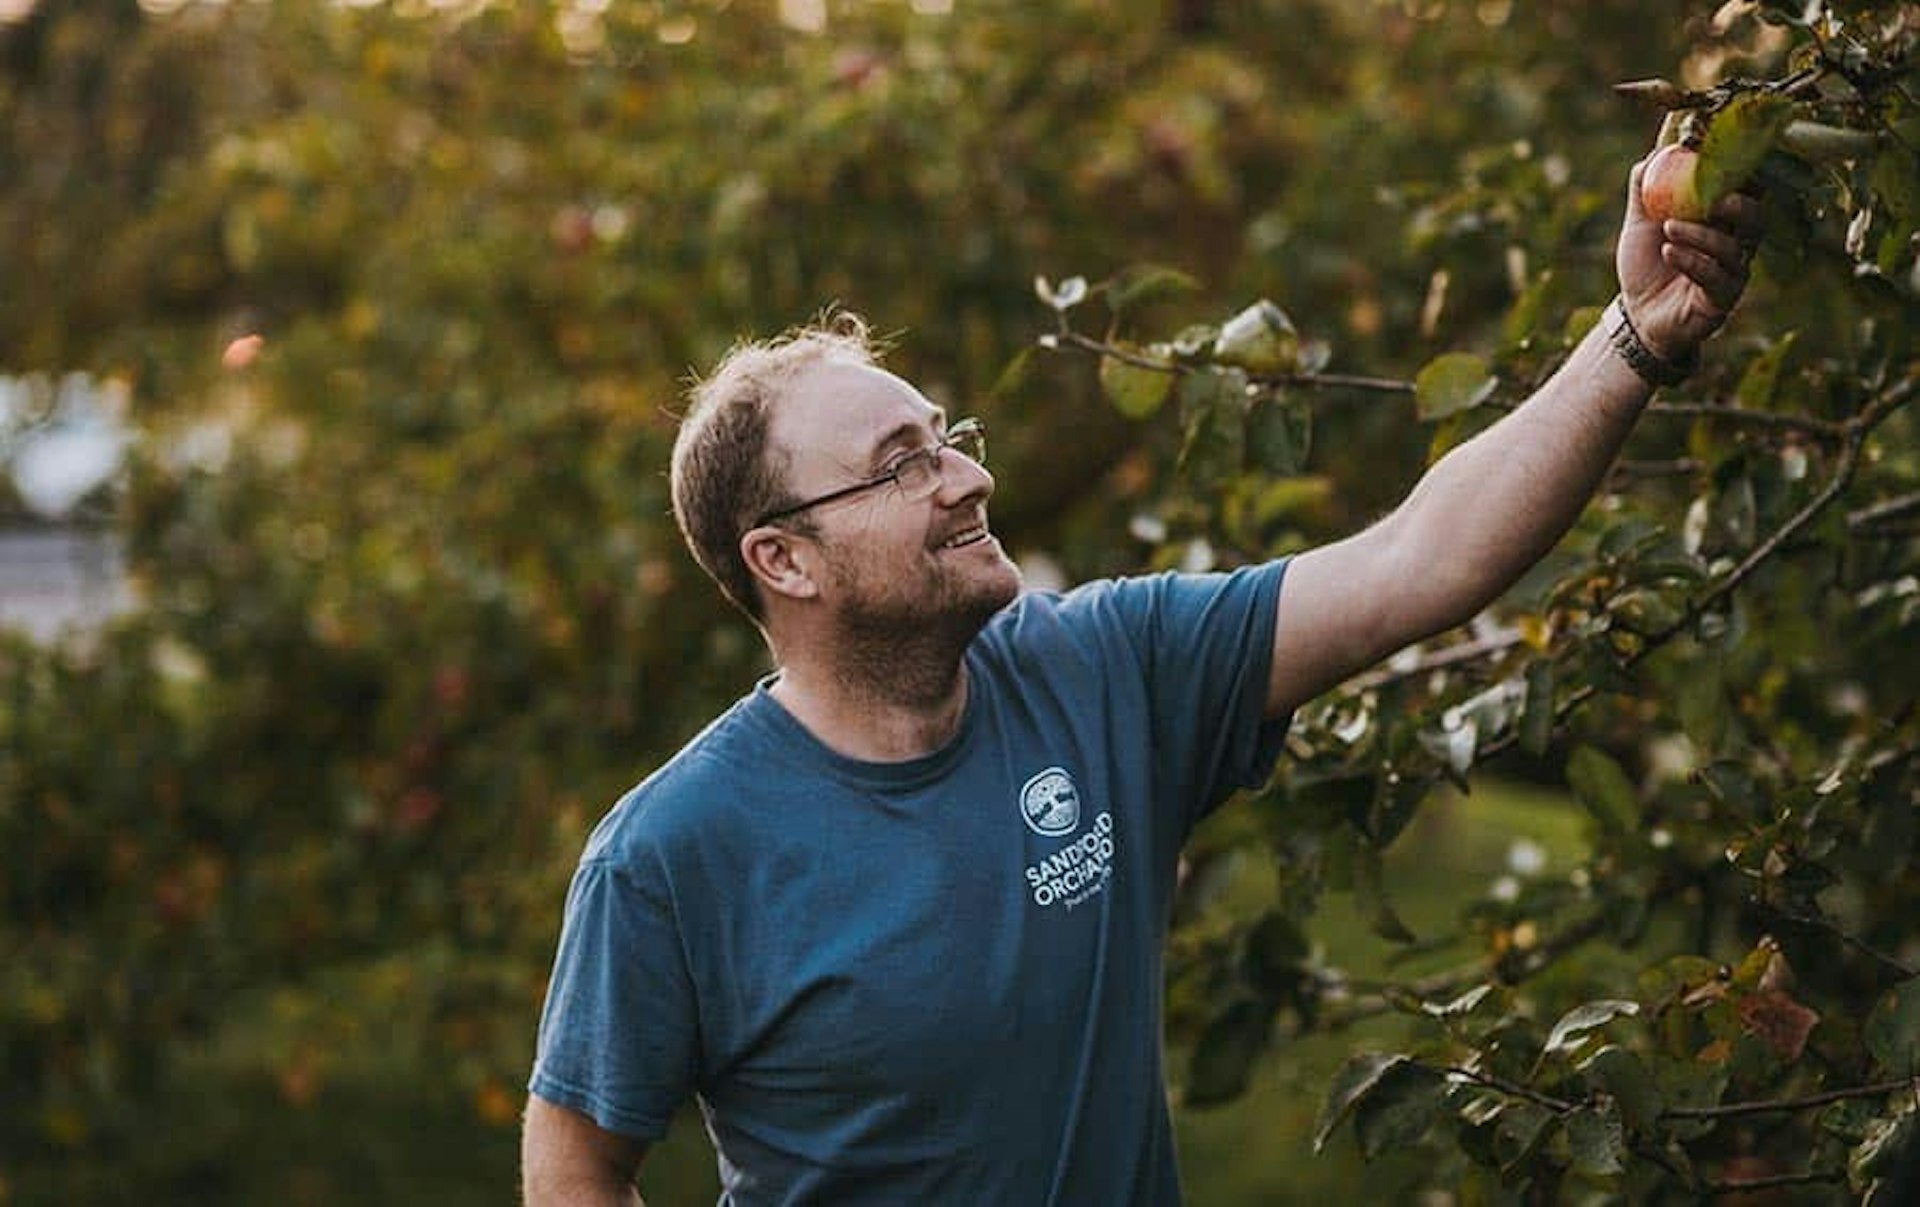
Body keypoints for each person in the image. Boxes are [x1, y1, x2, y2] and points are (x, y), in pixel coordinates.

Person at [521, 147, 1761, 1205]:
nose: (967, 480)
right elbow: (573, 1166)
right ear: (784, 559)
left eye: (949, 442)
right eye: (902, 465)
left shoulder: (1102, 669)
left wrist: (1634, 339)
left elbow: (1415, 560)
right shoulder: (674, 855)